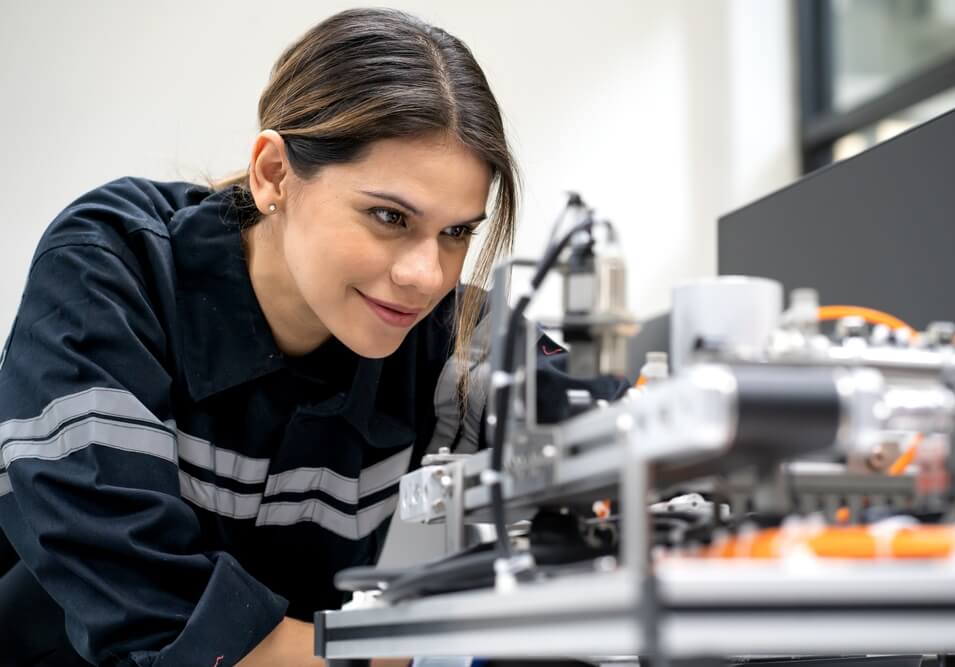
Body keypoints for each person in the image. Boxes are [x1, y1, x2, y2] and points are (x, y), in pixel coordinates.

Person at [0, 8, 627, 667]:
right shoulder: (114, 268)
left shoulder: (441, 329)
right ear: (273, 173)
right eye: (388, 216)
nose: (424, 275)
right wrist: (405, 654)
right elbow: (149, 603)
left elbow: (609, 422)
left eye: (456, 233)